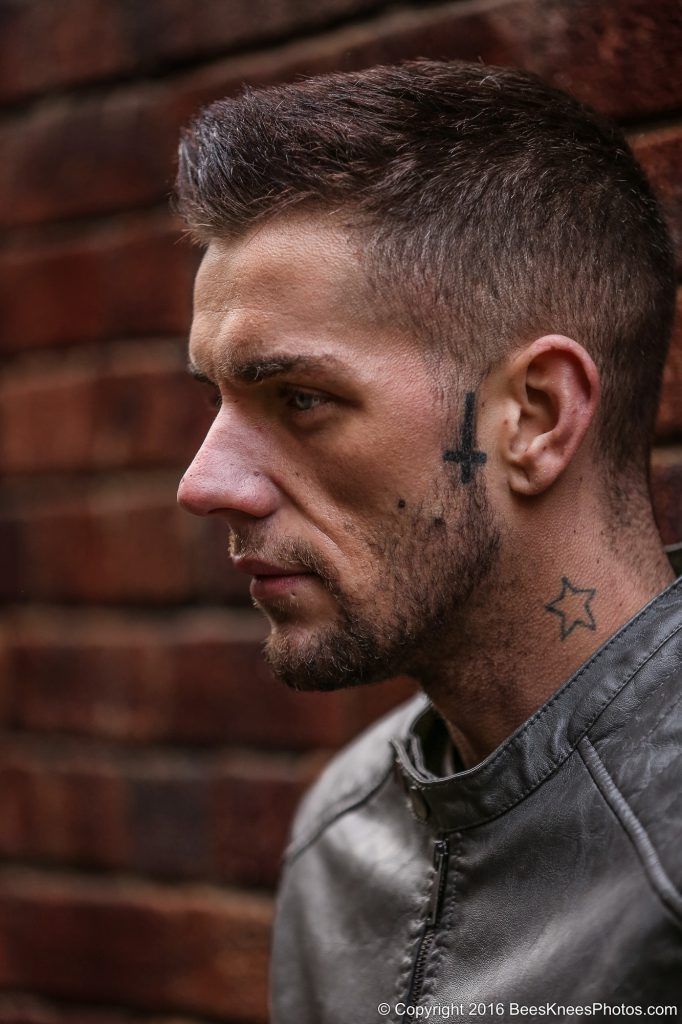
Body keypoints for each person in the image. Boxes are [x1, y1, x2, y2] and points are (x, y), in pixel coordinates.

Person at [175, 61, 682, 1021]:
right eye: (218, 400)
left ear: (533, 417)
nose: (206, 485)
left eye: (301, 399)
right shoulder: (342, 839)